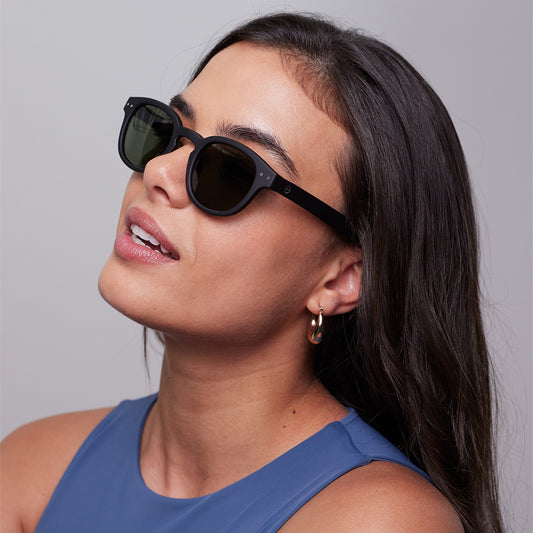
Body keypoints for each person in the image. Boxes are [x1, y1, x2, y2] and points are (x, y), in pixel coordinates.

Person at [1, 12, 503, 533]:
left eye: (230, 170)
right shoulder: (29, 470)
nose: (158, 172)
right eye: (167, 134)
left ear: (340, 279)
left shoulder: (379, 520)